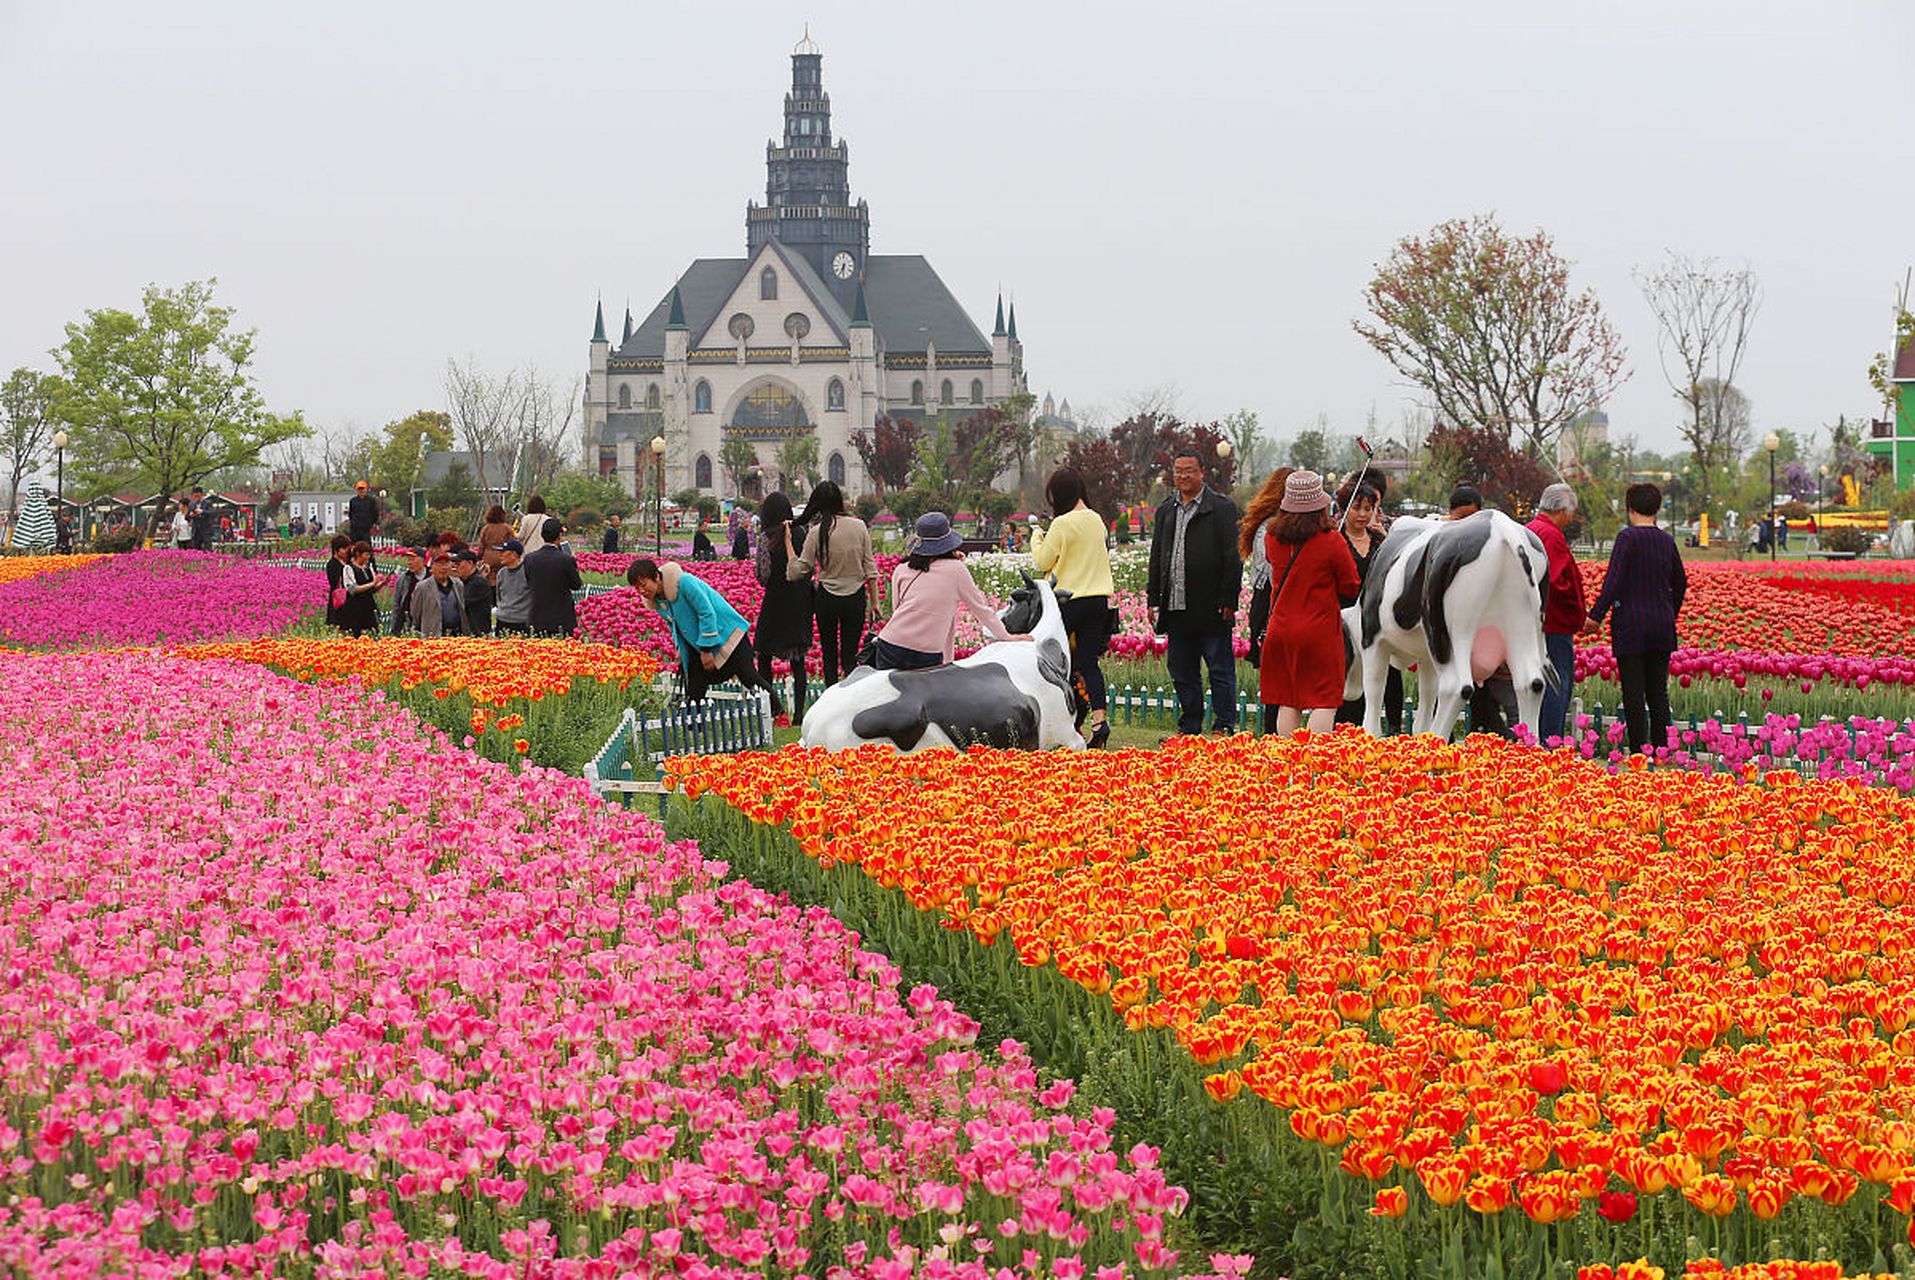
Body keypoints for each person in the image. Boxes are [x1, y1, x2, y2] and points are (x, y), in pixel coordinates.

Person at [1146, 451, 1243, 737]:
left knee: (1219, 670)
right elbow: (1157, 557)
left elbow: (1233, 556)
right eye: (1178, 471)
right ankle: (1189, 726)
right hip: (1176, 605)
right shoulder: (1167, 510)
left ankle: (1223, 725)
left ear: (1202, 472)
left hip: (1211, 605)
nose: (1183, 476)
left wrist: (1229, 597)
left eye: (1189, 470)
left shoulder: (1222, 509)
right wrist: (1153, 599)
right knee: (1182, 671)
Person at [1587, 482, 1688, 756]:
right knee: (1658, 693)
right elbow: (1680, 582)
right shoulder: (1666, 541)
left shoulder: (1627, 538)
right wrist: (1670, 612)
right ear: (1656, 509)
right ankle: (1663, 750)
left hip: (1631, 626)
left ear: (1630, 509)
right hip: (1661, 627)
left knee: (1634, 693)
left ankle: (1639, 753)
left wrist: (1595, 616)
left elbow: (1613, 582)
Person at [1259, 471, 1361, 738]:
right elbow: (1350, 584)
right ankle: (1314, 762)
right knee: (1324, 700)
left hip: (1280, 630)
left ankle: (1288, 761)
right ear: (1320, 505)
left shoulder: (1271, 538)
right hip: (1319, 631)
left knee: (1288, 699)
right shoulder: (1331, 541)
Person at [870, 512, 1030, 671]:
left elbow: (897, 610)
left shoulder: (902, 569)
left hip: (890, 644)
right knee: (929, 697)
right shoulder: (956, 569)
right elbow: (981, 609)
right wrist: (1006, 637)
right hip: (926, 653)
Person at [1029, 467, 1116, 749]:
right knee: (1089, 664)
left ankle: (1069, 722)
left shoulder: (1062, 524)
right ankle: (1100, 721)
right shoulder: (1097, 520)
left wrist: (1036, 538)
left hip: (1068, 602)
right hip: (1098, 602)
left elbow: (1043, 562)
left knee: (1057, 665)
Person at [625, 556, 771, 702]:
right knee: (695, 687)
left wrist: (706, 649)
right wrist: (679, 649)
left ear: (656, 576)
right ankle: (693, 724)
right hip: (696, 644)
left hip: (728, 634)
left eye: (643, 585)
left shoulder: (684, 583)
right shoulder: (658, 600)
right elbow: (674, 625)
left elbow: (706, 612)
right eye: (637, 587)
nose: (641, 591)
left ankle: (777, 711)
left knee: (748, 677)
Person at [1330, 476, 1405, 734]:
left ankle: (1393, 727)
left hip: (1377, 620)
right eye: (1356, 507)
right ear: (1344, 509)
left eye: (1368, 509)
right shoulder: (1335, 540)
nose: (1362, 514)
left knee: (1388, 670)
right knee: (1350, 678)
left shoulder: (1380, 542)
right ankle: (1346, 732)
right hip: (1344, 621)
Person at [788, 480, 879, 687]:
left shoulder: (817, 532)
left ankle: (831, 699)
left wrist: (788, 543)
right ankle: (851, 701)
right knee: (850, 656)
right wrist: (875, 602)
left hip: (827, 598)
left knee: (828, 655)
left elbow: (798, 571)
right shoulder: (859, 526)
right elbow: (870, 568)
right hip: (855, 597)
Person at [1447, 485, 1516, 737]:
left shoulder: (1494, 543)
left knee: (1484, 696)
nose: (1466, 525)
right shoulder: (1442, 543)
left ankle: (1495, 739)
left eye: (1471, 518)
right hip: (1452, 636)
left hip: (1485, 637)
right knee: (1449, 691)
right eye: (1459, 519)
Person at [1526, 483, 1587, 744]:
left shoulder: (1531, 529)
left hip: (1534, 621)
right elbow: (1557, 582)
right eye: (1571, 511)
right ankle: (1551, 741)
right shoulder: (1549, 535)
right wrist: (1578, 610)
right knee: (1556, 681)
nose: (1572, 517)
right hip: (1552, 622)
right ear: (1563, 509)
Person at [754, 493, 815, 725]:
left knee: (764, 655)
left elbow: (763, 574)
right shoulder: (803, 533)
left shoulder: (766, 538)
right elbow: (810, 566)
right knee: (798, 659)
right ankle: (799, 714)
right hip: (800, 600)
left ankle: (772, 710)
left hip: (775, 601)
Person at [522, 517, 582, 637]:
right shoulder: (566, 559)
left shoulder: (529, 558)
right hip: (562, 618)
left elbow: (529, 582)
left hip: (537, 617)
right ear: (559, 536)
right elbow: (576, 585)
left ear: (542, 535)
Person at [408, 552, 471, 637]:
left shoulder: (458, 584)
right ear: (432, 567)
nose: (443, 567)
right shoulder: (422, 587)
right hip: (434, 636)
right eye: (440, 564)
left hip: (456, 635)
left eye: (446, 564)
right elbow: (416, 613)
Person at [335, 542, 387, 638]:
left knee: (374, 633)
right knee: (355, 635)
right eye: (366, 554)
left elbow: (373, 589)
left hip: (368, 605)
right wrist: (372, 584)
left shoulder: (368, 568)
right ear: (358, 554)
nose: (368, 557)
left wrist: (383, 583)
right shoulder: (348, 568)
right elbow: (353, 589)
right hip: (355, 607)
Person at [493, 541, 531, 635]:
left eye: (503, 552)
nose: (500, 555)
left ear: (514, 554)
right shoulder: (501, 573)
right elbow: (499, 596)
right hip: (502, 620)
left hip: (521, 621)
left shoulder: (527, 571)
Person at [388, 546, 428, 635]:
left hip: (427, 624)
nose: (409, 563)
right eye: (408, 560)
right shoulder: (403, 579)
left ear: (423, 560)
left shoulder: (431, 577)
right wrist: (394, 627)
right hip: (407, 624)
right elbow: (396, 604)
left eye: (413, 559)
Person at [455, 551, 494, 634]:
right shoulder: (466, 581)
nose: (456, 567)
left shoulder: (478, 582)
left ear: (470, 563)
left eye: (459, 563)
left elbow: (461, 603)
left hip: (477, 631)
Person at [323, 533, 352, 627]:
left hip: (349, 599)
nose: (346, 552)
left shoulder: (348, 563)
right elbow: (335, 582)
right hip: (339, 599)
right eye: (344, 549)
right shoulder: (332, 564)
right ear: (336, 550)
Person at [477, 505, 516, 569]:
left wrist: (479, 557)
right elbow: (512, 544)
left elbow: (481, 546)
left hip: (488, 558)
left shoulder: (485, 528)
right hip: (503, 557)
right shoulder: (507, 528)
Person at [188, 486, 215, 550]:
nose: (196, 498)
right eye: (195, 496)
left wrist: (202, 512)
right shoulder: (191, 505)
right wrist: (190, 515)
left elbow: (212, 513)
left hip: (206, 531)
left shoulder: (208, 503)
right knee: (196, 550)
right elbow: (187, 516)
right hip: (196, 532)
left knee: (207, 549)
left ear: (202, 495)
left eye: (198, 496)